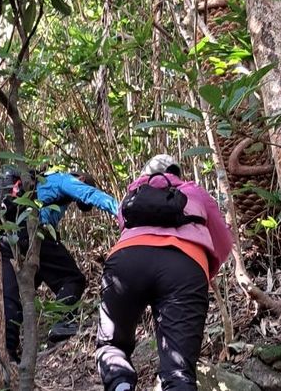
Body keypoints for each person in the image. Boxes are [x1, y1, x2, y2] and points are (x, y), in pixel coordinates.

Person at [95, 155, 234, 391]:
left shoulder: (132, 194)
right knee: (178, 372)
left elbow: (124, 228)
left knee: (112, 345)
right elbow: (224, 240)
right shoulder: (195, 192)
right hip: (185, 268)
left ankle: (120, 384)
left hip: (126, 262)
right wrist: (202, 273)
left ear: (143, 175)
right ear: (177, 173)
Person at [0, 168, 118, 363]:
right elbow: (89, 194)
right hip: (35, 235)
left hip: (7, 240)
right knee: (72, 279)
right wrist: (121, 211)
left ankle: (8, 354)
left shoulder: (38, 183)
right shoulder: (62, 179)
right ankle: (61, 321)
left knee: (14, 297)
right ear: (81, 178)